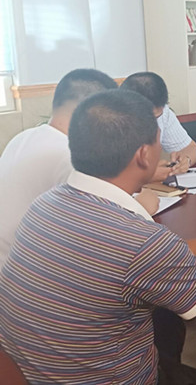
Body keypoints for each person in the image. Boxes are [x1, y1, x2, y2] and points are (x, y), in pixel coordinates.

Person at [0, 90, 196, 384]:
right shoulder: (140, 239)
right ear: (144, 155)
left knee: (166, 314)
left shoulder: (44, 203)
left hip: (35, 370)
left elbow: (123, 262)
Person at [0, 68, 117, 268]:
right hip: (25, 269)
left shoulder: (23, 137)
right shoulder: (70, 155)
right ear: (93, 112)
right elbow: (99, 231)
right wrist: (141, 207)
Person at [121, 71, 196, 180]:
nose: (153, 124)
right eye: (147, 117)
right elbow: (102, 178)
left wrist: (186, 160)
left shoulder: (164, 113)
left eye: (157, 117)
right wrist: (146, 175)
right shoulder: (107, 122)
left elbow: (191, 148)